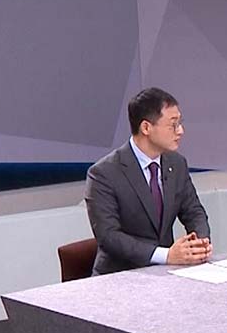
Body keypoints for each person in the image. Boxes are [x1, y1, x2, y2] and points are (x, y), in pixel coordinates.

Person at [84, 87, 212, 276]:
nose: (180, 131)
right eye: (173, 125)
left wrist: (200, 244)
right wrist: (166, 255)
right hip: (120, 277)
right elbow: (109, 236)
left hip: (167, 273)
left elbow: (194, 212)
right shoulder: (104, 174)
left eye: (180, 123)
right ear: (146, 128)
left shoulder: (176, 164)